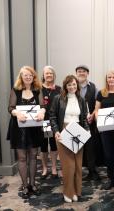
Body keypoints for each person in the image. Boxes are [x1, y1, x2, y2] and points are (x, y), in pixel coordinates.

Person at [50, 75, 89, 203]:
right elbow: (53, 116)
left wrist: (87, 129)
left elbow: (84, 117)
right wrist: (56, 131)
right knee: (68, 165)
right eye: (69, 85)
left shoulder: (81, 99)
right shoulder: (58, 98)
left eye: (74, 84)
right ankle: (68, 192)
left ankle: (76, 191)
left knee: (78, 164)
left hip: (78, 131)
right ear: (65, 86)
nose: (72, 87)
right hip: (63, 132)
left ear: (77, 85)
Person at [7, 66, 45, 198]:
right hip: (19, 129)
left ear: (33, 77)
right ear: (21, 77)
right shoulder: (15, 90)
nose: (28, 77)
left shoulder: (37, 90)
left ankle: (33, 184)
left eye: (30, 75)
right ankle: (24, 185)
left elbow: (42, 107)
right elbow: (10, 108)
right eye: (25, 75)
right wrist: (17, 113)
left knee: (34, 157)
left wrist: (42, 112)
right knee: (22, 158)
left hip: (34, 129)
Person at [75, 65, 101, 181]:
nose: (81, 73)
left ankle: (92, 171)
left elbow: (97, 104)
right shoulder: (72, 85)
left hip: (89, 122)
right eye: (79, 71)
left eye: (84, 71)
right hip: (74, 122)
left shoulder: (93, 87)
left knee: (91, 148)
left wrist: (93, 114)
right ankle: (77, 172)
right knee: (76, 147)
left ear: (87, 73)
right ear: (76, 73)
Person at [40, 66, 61, 180]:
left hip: (54, 121)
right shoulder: (38, 89)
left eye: (51, 73)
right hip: (43, 122)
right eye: (46, 73)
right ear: (43, 75)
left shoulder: (59, 89)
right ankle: (44, 168)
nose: (49, 75)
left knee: (53, 145)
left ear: (54, 75)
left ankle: (53, 167)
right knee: (43, 146)